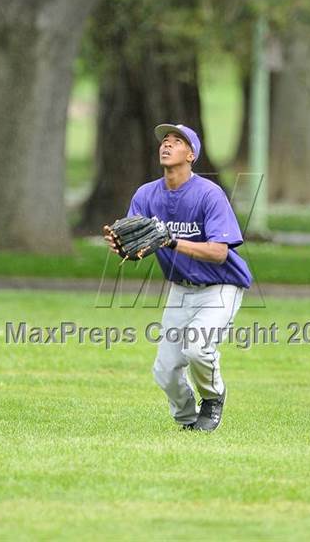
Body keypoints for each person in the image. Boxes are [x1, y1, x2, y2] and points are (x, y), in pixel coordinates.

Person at [104, 123, 252, 432]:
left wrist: (172, 241)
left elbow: (219, 252)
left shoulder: (209, 194)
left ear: (191, 154)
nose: (167, 145)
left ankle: (212, 399)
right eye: (164, 141)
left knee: (197, 348)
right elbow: (140, 244)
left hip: (220, 286)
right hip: (180, 289)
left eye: (177, 141)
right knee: (166, 370)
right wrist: (124, 248)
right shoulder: (146, 195)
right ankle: (188, 421)